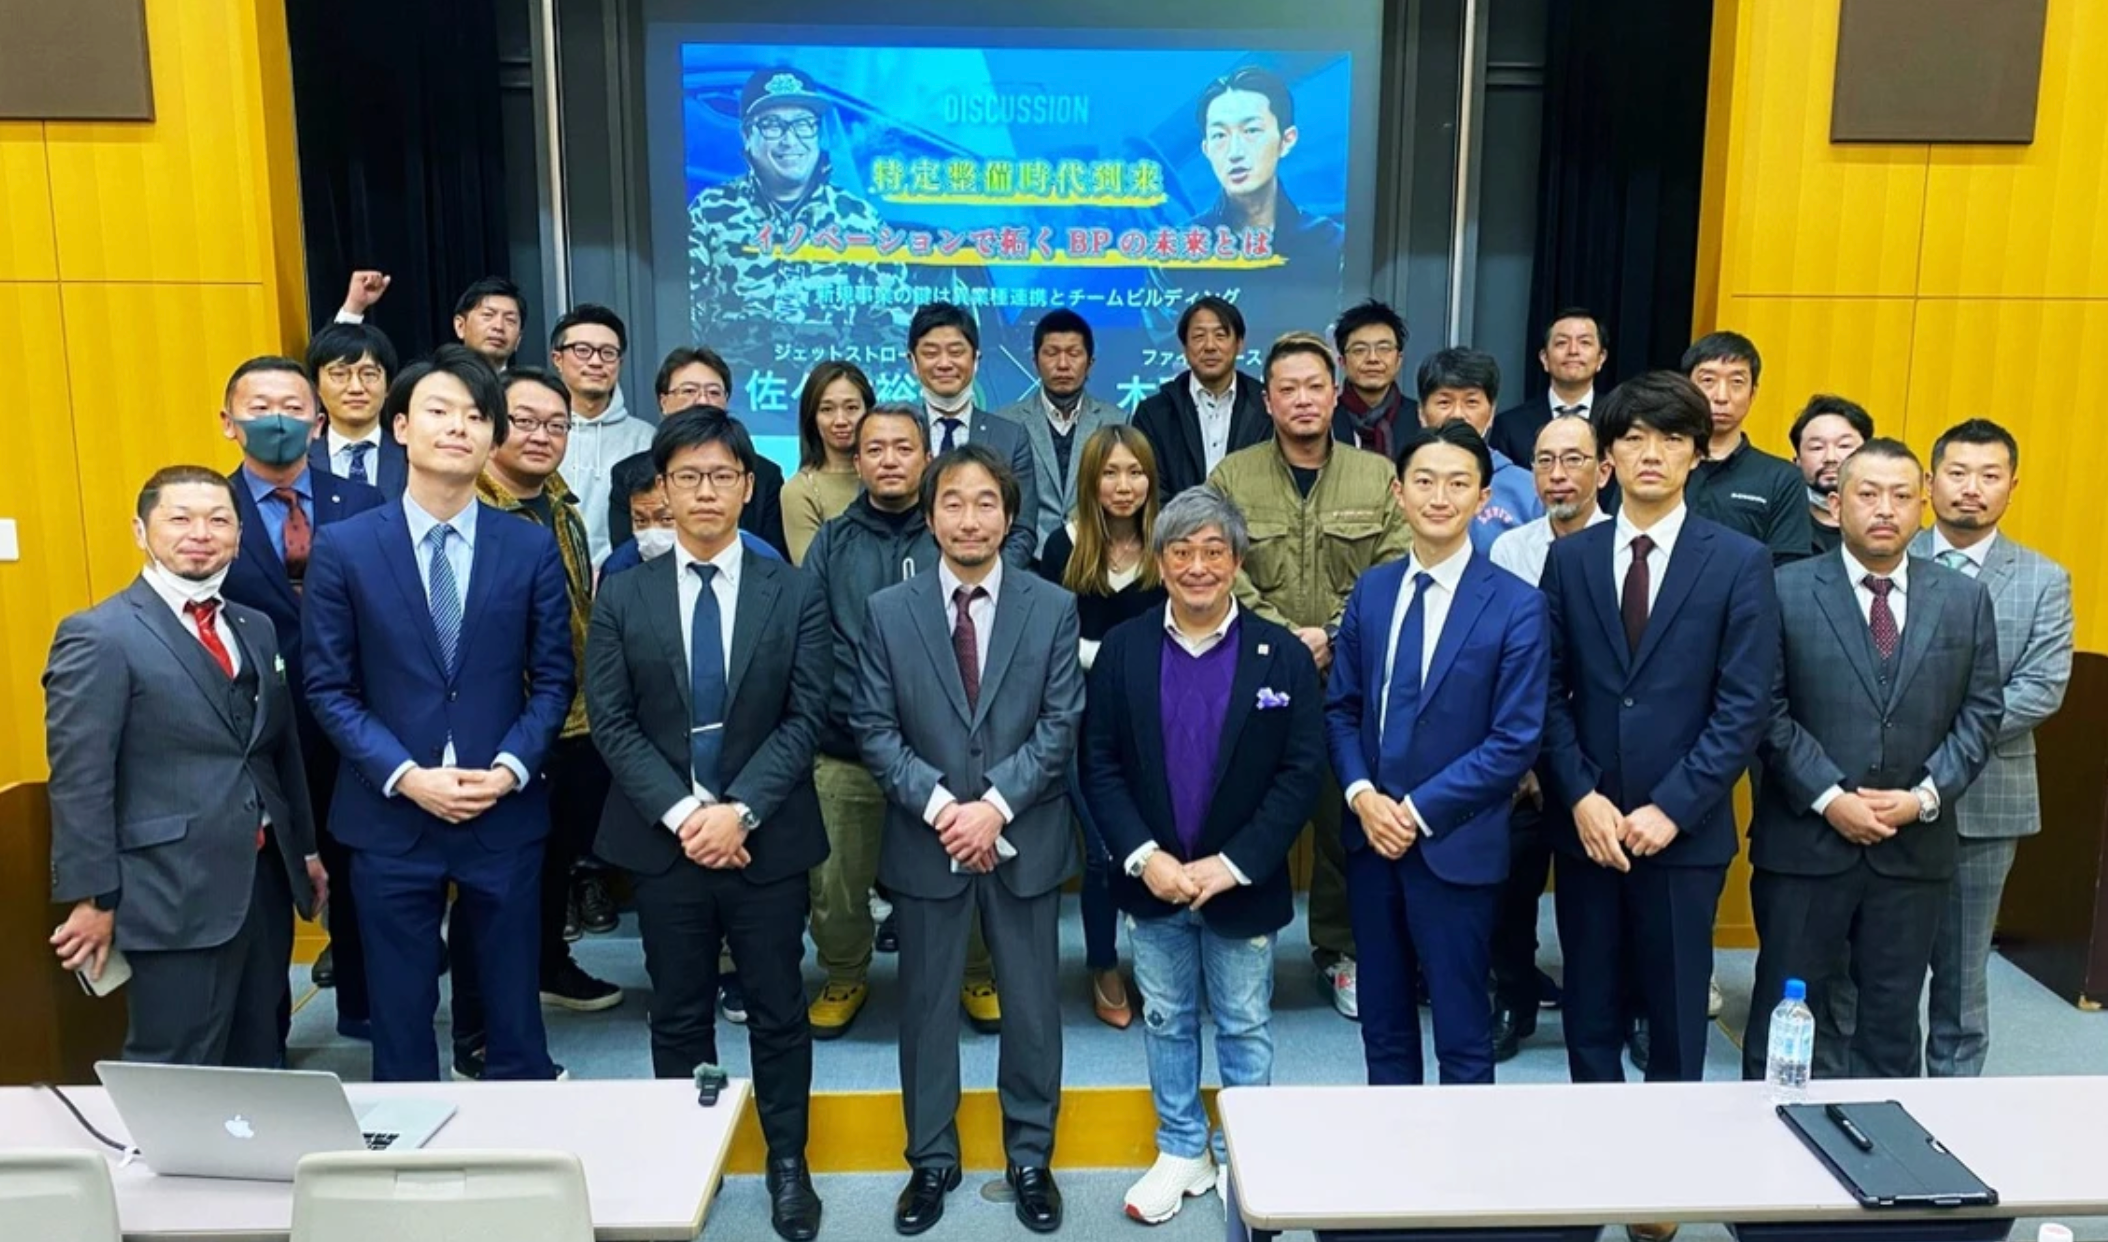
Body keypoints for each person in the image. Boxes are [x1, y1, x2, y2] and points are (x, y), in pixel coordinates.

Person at [585, 409, 831, 1241]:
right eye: (687, 477)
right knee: (679, 1010)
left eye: (721, 476)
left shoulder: (790, 589)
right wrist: (690, 814)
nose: (704, 493)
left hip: (767, 838)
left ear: (747, 486)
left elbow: (806, 715)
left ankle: (787, 1162)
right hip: (667, 843)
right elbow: (612, 721)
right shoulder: (625, 593)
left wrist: (740, 810)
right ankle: (686, 1157)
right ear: (662, 488)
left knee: (777, 1008)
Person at [303, 344, 575, 1083]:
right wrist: (405, 775)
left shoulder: (529, 547)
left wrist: (509, 769)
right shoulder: (345, 548)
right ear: (400, 427)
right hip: (390, 814)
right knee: (399, 1017)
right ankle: (410, 1142)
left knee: (515, 1015)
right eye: (440, 411)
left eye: (477, 416)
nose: (459, 426)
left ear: (492, 438)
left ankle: (519, 1131)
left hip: (502, 811)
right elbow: (328, 688)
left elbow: (554, 680)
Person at [851, 443, 1084, 1236]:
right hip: (928, 839)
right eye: (952, 502)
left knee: (1032, 1009)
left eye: (986, 502)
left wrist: (995, 807)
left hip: (1026, 836)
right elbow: (873, 728)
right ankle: (931, 1159)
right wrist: (949, 808)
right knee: (924, 1009)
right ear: (929, 517)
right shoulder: (889, 611)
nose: (970, 518)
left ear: (1010, 518)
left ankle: (1031, 1156)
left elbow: (1060, 723)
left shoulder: (1052, 607)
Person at [1082, 487, 1322, 1223]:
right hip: (1154, 880)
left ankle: (1248, 1152)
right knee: (1166, 1018)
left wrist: (1234, 863)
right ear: (1159, 561)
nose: (1197, 567)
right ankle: (1182, 1147)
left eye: (1213, 551)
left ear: (1237, 561)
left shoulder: (1281, 654)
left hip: (1239, 885)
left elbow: (1300, 772)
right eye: (1181, 551)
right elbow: (1099, 763)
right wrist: (1144, 856)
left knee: (1245, 1022)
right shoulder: (1124, 650)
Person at [1538, 373, 1779, 1093]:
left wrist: (1672, 807)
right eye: (1634, 437)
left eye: (1672, 438)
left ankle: (1671, 1155)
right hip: (1589, 826)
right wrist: (1580, 796)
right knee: (1589, 1009)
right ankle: (1594, 1143)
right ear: (1607, 457)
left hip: (1685, 832)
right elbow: (1546, 689)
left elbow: (1744, 705)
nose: (1652, 454)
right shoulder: (1571, 557)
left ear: (1697, 454)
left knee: (1676, 1015)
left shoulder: (1738, 560)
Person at [46, 466, 326, 1066]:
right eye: (180, 518)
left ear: (239, 536)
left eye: (219, 520)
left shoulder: (255, 627)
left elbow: (278, 751)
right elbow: (81, 780)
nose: (201, 533)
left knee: (262, 1052)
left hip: (263, 882)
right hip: (167, 891)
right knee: (176, 1064)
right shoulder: (100, 636)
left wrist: (303, 849)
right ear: (140, 531)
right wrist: (93, 897)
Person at [1744, 438, 2002, 1081]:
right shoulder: (1782, 589)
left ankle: (1886, 1138)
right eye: (1867, 493)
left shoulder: (1963, 599)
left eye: (1900, 495)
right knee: (1787, 1013)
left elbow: (1981, 713)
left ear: (1922, 505)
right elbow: (1765, 709)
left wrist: (1925, 797)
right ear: (1836, 504)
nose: (1885, 509)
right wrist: (1831, 797)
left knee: (1890, 1023)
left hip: (1912, 848)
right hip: (1805, 844)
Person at [1326, 421, 1551, 1085]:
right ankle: (1392, 1149)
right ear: (1399, 492)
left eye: (1458, 484)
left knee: (1462, 1030)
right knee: (1383, 1024)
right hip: (1371, 842)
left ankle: (1462, 1153)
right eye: (1424, 481)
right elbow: (1341, 709)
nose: (1439, 497)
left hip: (1456, 845)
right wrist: (1363, 797)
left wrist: (1415, 812)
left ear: (1483, 498)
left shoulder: (1517, 605)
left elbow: (1514, 740)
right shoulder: (1372, 590)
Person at [1208, 331, 1410, 1020]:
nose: (1302, 400)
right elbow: (1217, 565)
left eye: (1314, 387)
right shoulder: (1232, 477)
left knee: (1343, 820)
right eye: (1287, 389)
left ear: (1335, 394)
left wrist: (1329, 635)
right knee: (1240, 813)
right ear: (1267, 401)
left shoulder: (1376, 477)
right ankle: (1239, 951)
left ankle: (1338, 951)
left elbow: (1393, 564)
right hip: (1250, 674)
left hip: (1348, 677)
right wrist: (1286, 639)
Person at [447, 368, 624, 1082]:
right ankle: (478, 1030)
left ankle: (550, 965)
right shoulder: (468, 510)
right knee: (491, 885)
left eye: (557, 425)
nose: (542, 436)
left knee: (553, 864)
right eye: (525, 421)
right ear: (491, 425)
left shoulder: (561, 504)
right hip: (499, 729)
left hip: (572, 718)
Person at [803, 406, 1000, 1040]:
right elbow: (814, 640)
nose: (889, 460)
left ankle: (977, 971)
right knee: (836, 878)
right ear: (857, 461)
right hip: (849, 746)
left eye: (903, 448)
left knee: (967, 863)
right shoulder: (833, 541)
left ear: (927, 457)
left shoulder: (952, 535)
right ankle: (844, 971)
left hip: (948, 751)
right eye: (875, 449)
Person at [215, 357, 384, 1032]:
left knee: (359, 864)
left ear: (317, 423)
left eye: (291, 407)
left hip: (354, 715)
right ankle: (268, 1031)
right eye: (259, 407)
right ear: (228, 422)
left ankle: (365, 1007)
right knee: (265, 875)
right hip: (251, 724)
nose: (276, 420)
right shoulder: (211, 509)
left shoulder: (365, 502)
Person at [1912, 419, 2074, 1077]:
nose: (1971, 489)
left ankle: (1954, 1103)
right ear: (1930, 482)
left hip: (1985, 800)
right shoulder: (1887, 558)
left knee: (1961, 970)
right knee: (1869, 963)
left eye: (1989, 476)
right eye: (1957, 473)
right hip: (1879, 794)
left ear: (2012, 485)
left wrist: (1937, 743)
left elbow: (2041, 688)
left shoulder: (2043, 578)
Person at [1485, 416, 1613, 1061]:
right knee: (1509, 880)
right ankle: (1513, 997)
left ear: (1604, 470)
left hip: (1602, 757)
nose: (1558, 475)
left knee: (1607, 897)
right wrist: (1528, 758)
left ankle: (1619, 1008)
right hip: (1527, 754)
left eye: (1573, 460)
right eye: (1544, 461)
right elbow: (1507, 662)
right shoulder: (1512, 549)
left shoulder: (1624, 548)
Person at [1037, 425, 1169, 1029]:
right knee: (1106, 850)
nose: (1123, 486)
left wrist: (1106, 654)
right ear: (1090, 481)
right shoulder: (1062, 546)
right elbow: (1047, 643)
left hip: (1159, 720)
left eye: (1135, 472)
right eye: (1110, 473)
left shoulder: (1169, 543)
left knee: (1160, 842)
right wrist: (1116, 655)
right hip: (1081, 722)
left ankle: (1161, 963)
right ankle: (1102, 963)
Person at [686, 65, 906, 360]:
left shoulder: (860, 219)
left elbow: (893, 324)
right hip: (739, 384)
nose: (790, 141)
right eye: (772, 125)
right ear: (747, 135)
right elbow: (686, 317)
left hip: (834, 385)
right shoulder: (710, 211)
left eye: (804, 124)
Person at [906, 302, 1039, 569]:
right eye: (931, 353)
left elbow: (1022, 531)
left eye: (956, 352)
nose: (944, 363)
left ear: (976, 360)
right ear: (913, 362)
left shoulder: (1011, 437)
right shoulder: (896, 436)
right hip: (911, 581)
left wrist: (983, 579)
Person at [993, 309, 1130, 552]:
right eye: (1052, 353)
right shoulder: (1007, 422)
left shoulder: (1117, 421)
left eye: (1074, 354)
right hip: (1027, 559)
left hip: (1096, 555)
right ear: (1035, 362)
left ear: (1090, 363)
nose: (1063, 364)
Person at [1189, 67, 1343, 270]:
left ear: (1287, 140)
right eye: (1219, 135)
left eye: (1251, 130)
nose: (1235, 152)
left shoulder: (1331, 244)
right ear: (1206, 149)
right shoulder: (1180, 251)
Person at [1682, 331, 1812, 565]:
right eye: (1708, 381)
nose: (1721, 396)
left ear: (1752, 394)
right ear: (1686, 388)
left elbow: (1787, 570)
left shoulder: (1782, 478)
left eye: (1737, 382)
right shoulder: (1659, 466)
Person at [1131, 296, 1271, 501]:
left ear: (1239, 344)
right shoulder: (1154, 414)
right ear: (1185, 347)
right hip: (1176, 522)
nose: (1210, 346)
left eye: (1220, 335)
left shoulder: (1267, 407)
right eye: (1198, 336)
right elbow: (1151, 489)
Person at [548, 304, 653, 567]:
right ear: (557, 359)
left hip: (622, 578)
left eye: (608, 353)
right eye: (582, 350)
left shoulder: (645, 438)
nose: (596, 362)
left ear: (620, 362)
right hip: (546, 578)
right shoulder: (538, 433)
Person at [1415, 347, 1542, 553]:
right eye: (1444, 402)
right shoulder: (1403, 484)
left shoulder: (1529, 489)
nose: (1458, 414)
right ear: (1421, 412)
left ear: (1491, 413)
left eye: (1471, 402)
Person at [601, 447, 785, 581]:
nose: (653, 533)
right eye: (640, 521)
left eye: (666, 519)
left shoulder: (767, 563)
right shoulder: (618, 570)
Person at [1487, 309, 1608, 470]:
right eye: (1561, 343)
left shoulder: (1618, 420)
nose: (1573, 351)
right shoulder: (1510, 426)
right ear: (1544, 358)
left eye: (1584, 342)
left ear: (1601, 358)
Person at [337, 272, 526, 375]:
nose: (498, 326)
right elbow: (336, 365)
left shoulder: (526, 393)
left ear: (518, 340)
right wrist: (354, 307)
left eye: (510, 320)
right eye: (488, 315)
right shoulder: (430, 382)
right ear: (460, 326)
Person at [780, 359, 873, 564]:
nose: (840, 420)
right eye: (827, 409)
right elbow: (811, 571)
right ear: (812, 418)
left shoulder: (889, 476)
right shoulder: (800, 490)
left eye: (851, 408)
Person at [305, 321, 407, 497]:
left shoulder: (413, 457)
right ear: (316, 386)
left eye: (369, 374)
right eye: (339, 374)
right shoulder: (299, 461)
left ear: (389, 386)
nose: (356, 388)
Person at [1329, 299, 1419, 461]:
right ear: (1342, 362)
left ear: (1399, 360)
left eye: (1383, 348)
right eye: (1360, 350)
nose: (1372, 358)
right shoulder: (1326, 419)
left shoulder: (1420, 419)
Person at [1787, 395, 1872, 557]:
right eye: (1817, 447)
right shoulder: (1780, 523)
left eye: (1844, 445)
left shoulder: (1890, 525)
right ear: (1797, 461)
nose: (1830, 458)